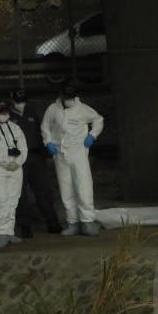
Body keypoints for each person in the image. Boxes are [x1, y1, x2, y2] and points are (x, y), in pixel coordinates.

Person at [41, 83, 103, 237]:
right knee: (66, 188)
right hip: (60, 153)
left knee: (83, 185)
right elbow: (45, 125)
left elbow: (98, 120)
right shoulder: (53, 109)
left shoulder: (83, 109)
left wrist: (92, 135)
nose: (69, 100)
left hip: (78, 152)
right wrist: (48, 142)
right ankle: (73, 222)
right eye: (66, 97)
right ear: (61, 96)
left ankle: (87, 221)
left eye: (71, 97)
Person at [10, 89, 63, 238]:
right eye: (18, 101)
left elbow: (41, 133)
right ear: (12, 100)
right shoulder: (7, 116)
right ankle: (25, 226)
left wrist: (46, 153)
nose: (21, 104)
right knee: (20, 193)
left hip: (36, 156)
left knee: (43, 190)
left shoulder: (32, 113)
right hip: (18, 158)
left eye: (23, 101)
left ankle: (52, 222)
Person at [0, 101, 28, 249]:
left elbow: (23, 147)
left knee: (13, 200)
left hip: (15, 169)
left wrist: (18, 162)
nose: (4, 114)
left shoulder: (15, 127)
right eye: (1, 112)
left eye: (6, 112)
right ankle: (0, 233)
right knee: (0, 200)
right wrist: (5, 162)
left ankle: (9, 231)